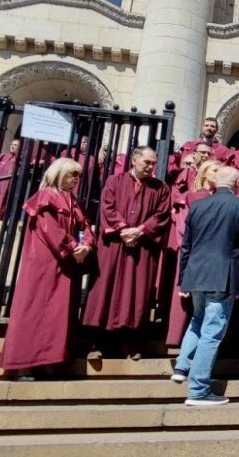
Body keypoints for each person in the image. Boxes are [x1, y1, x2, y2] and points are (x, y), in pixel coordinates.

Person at [0, 158, 95, 379]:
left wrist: (87, 245)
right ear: (58, 173)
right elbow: (50, 228)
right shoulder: (45, 197)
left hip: (66, 264)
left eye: (78, 175)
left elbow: (85, 226)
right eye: (72, 174)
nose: (76, 179)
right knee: (35, 310)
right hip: (45, 263)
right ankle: (25, 364)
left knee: (57, 314)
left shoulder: (73, 200)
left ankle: (50, 361)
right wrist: (73, 248)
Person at [172, 166, 239, 406]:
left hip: (196, 274)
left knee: (197, 321)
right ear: (238, 182)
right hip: (224, 276)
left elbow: (186, 246)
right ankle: (198, 389)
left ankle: (182, 366)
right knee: (212, 331)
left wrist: (183, 278)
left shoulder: (198, 206)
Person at [82, 146, 171, 359]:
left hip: (142, 248)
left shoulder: (161, 188)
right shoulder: (114, 181)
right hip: (113, 246)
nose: (151, 167)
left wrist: (140, 231)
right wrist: (123, 230)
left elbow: (161, 215)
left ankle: (130, 343)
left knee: (136, 294)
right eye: (147, 162)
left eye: (153, 163)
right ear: (134, 159)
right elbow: (107, 208)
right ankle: (97, 344)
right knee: (105, 290)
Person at [165, 159, 220, 346]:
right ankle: (179, 340)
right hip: (192, 253)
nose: (218, 174)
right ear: (204, 173)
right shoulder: (190, 197)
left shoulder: (221, 198)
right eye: (214, 170)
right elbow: (182, 228)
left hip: (214, 257)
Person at [0, 138, 20, 220]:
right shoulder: (3, 156)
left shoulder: (19, 160)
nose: (13, 147)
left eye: (15, 145)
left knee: (0, 206)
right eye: (12, 145)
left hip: (6, 188)